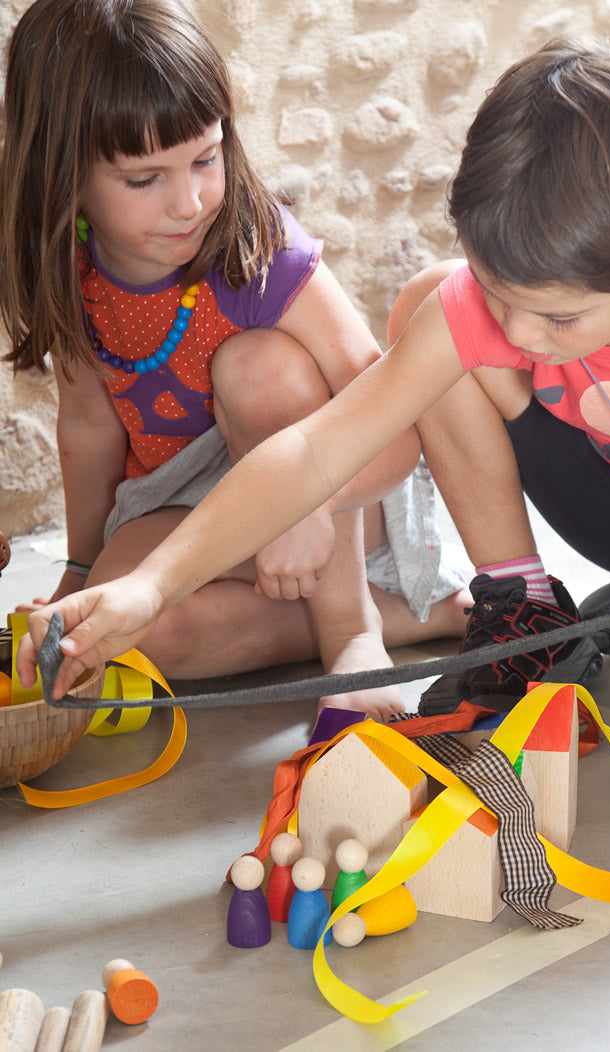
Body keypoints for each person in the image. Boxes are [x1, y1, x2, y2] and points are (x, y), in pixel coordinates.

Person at [17, 38, 610, 811]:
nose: (521, 337)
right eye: (500, 295)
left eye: (557, 317)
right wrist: (148, 587)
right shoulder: (496, 310)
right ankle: (533, 608)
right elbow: (313, 451)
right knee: (436, 312)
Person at [1, 0, 469, 722]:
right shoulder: (72, 265)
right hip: (183, 504)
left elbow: (392, 430)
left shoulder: (262, 252)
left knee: (259, 366)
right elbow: (90, 426)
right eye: (143, 179)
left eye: (205, 157)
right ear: (65, 174)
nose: (189, 202)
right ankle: (420, 614)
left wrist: (301, 502)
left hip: (334, 489)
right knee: (125, 629)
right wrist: (83, 570)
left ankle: (353, 632)